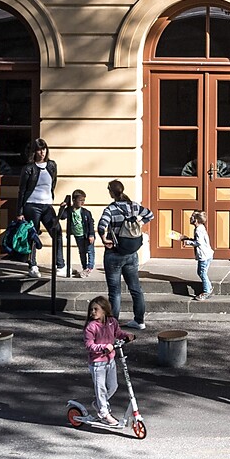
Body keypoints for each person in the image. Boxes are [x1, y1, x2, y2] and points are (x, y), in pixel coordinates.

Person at [99, 179, 155, 329]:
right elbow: (150, 215)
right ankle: (139, 320)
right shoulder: (134, 206)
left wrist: (104, 239)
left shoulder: (110, 209)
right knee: (135, 288)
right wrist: (140, 221)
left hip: (114, 253)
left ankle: (113, 324)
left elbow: (101, 225)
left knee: (115, 292)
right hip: (131, 253)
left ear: (111, 192)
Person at [82, 294, 135, 427]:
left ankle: (99, 404)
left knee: (113, 386)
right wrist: (104, 347)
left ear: (105, 310)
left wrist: (127, 336)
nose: (93, 312)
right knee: (100, 389)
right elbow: (89, 345)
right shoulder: (91, 327)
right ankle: (104, 413)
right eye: (91, 310)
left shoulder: (112, 322)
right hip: (97, 363)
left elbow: (118, 333)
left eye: (96, 309)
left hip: (110, 360)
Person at [16, 139, 63, 279]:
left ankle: (60, 264)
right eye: (39, 150)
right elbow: (22, 191)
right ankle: (33, 265)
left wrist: (50, 199)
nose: (42, 152)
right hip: (32, 205)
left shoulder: (52, 165)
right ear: (34, 152)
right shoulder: (29, 168)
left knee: (57, 232)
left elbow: (53, 183)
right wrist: (20, 212)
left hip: (47, 205)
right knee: (33, 235)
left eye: (44, 149)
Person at [172, 209, 214, 299]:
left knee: (202, 273)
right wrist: (187, 239)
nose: (190, 218)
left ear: (196, 220)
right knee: (202, 272)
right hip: (207, 254)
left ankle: (206, 291)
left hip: (204, 256)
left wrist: (188, 242)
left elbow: (199, 242)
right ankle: (209, 287)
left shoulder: (198, 230)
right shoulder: (201, 227)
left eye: (192, 217)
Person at [65, 190, 97, 277]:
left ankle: (89, 268)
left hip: (87, 235)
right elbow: (62, 217)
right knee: (82, 252)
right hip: (78, 235)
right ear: (74, 200)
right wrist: (63, 206)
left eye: (84, 200)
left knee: (90, 251)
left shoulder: (85, 212)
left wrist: (91, 234)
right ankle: (84, 267)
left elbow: (91, 223)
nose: (82, 202)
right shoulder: (69, 210)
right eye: (80, 200)